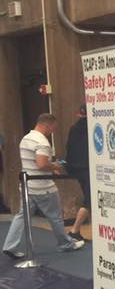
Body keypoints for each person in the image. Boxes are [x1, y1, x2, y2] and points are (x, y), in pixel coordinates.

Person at [2, 113, 84, 259]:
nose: (53, 131)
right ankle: (65, 243)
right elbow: (41, 164)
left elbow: (35, 163)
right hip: (44, 188)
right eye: (53, 127)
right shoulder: (42, 142)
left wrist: (51, 167)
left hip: (27, 187)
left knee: (21, 216)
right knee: (55, 217)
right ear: (48, 124)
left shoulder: (25, 139)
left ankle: (10, 245)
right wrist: (55, 166)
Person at [65, 105, 90, 241]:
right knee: (90, 200)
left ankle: (75, 230)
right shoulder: (91, 127)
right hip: (88, 167)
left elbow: (68, 147)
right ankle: (74, 230)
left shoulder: (74, 128)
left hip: (76, 167)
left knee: (89, 198)